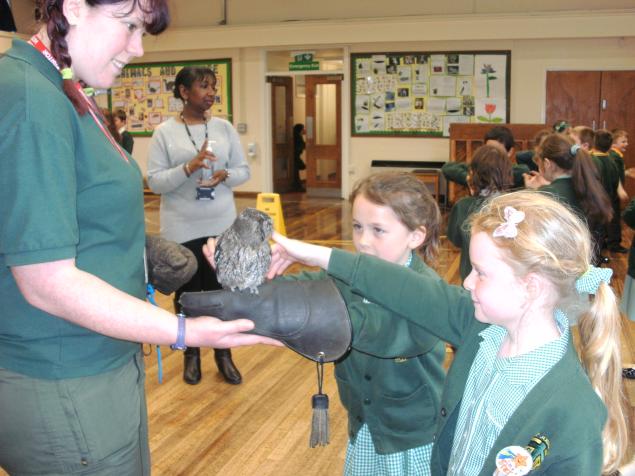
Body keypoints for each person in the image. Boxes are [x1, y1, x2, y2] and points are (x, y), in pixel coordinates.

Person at [0, 2, 277, 474]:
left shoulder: (65, 88)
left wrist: (139, 247)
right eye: (129, 26)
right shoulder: (30, 97)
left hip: (105, 352)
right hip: (66, 370)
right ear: (73, 8)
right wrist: (184, 331)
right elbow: (44, 279)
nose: (138, 47)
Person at [268, 190, 628, 475]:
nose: (467, 281)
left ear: (531, 287)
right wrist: (316, 254)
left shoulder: (571, 411)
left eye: (481, 273)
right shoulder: (479, 328)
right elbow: (399, 285)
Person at [206, 172, 446, 475]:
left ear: (416, 235)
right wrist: (242, 280)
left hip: (413, 437)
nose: (363, 241)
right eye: (358, 227)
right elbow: (293, 294)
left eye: (378, 230)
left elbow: (377, 329)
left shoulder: (429, 293)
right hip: (364, 426)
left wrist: (316, 288)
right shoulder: (343, 278)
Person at [147, 65, 251, 386]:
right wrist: (188, 167)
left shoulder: (224, 127)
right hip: (181, 226)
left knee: (221, 291)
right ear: (183, 92)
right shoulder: (164, 132)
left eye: (213, 87)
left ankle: (224, 354)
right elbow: (154, 182)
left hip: (221, 222)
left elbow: (243, 169)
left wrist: (226, 176)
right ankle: (191, 353)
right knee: (188, 293)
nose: (211, 93)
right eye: (203, 87)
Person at [523, 133, 613, 265]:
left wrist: (531, 191)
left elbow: (529, 232)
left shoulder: (546, 195)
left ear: (547, 164)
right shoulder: (590, 187)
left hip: (558, 267)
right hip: (585, 263)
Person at [447, 144, 513, 280]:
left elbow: (455, 239)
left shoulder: (463, 206)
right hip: (504, 279)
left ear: (472, 174)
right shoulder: (513, 206)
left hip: (471, 277)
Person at [442, 125, 529, 191]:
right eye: (488, 149)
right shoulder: (479, 169)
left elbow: (523, 170)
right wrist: (473, 179)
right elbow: (448, 168)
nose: (491, 154)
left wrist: (480, 178)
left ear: (510, 152)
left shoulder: (518, 172)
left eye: (497, 151)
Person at [593, 130, 626, 253]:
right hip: (611, 196)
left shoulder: (592, 159)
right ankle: (612, 244)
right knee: (612, 221)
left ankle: (602, 244)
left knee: (601, 223)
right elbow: (616, 178)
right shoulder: (612, 160)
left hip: (598, 197)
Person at [292, 123, 306, 192]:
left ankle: (297, 186)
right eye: (303, 128)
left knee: (297, 170)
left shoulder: (297, 135)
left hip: (295, 156)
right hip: (294, 156)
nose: (304, 130)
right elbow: (302, 145)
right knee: (297, 170)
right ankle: (297, 187)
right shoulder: (297, 136)